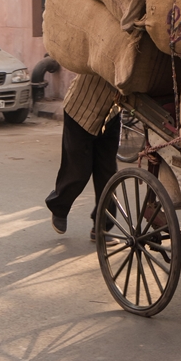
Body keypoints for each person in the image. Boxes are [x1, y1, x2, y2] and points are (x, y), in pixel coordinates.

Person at [45, 73, 120, 243]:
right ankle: (59, 206)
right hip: (82, 110)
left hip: (111, 114)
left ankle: (102, 226)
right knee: (78, 170)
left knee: (107, 173)